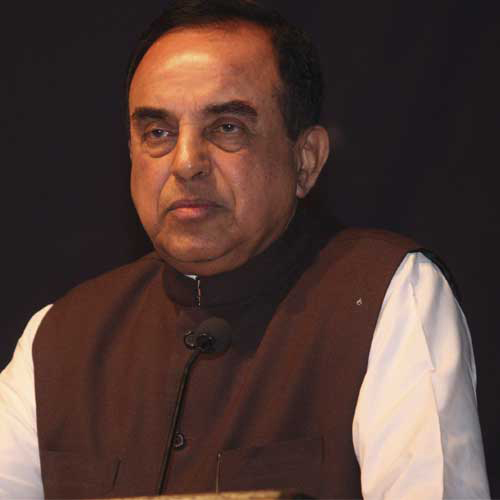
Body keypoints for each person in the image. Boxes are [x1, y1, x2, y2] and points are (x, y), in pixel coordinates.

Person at [0, 0, 490, 498]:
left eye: (227, 128)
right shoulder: (61, 338)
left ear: (306, 160)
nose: (185, 163)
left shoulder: (385, 296)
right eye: (158, 133)